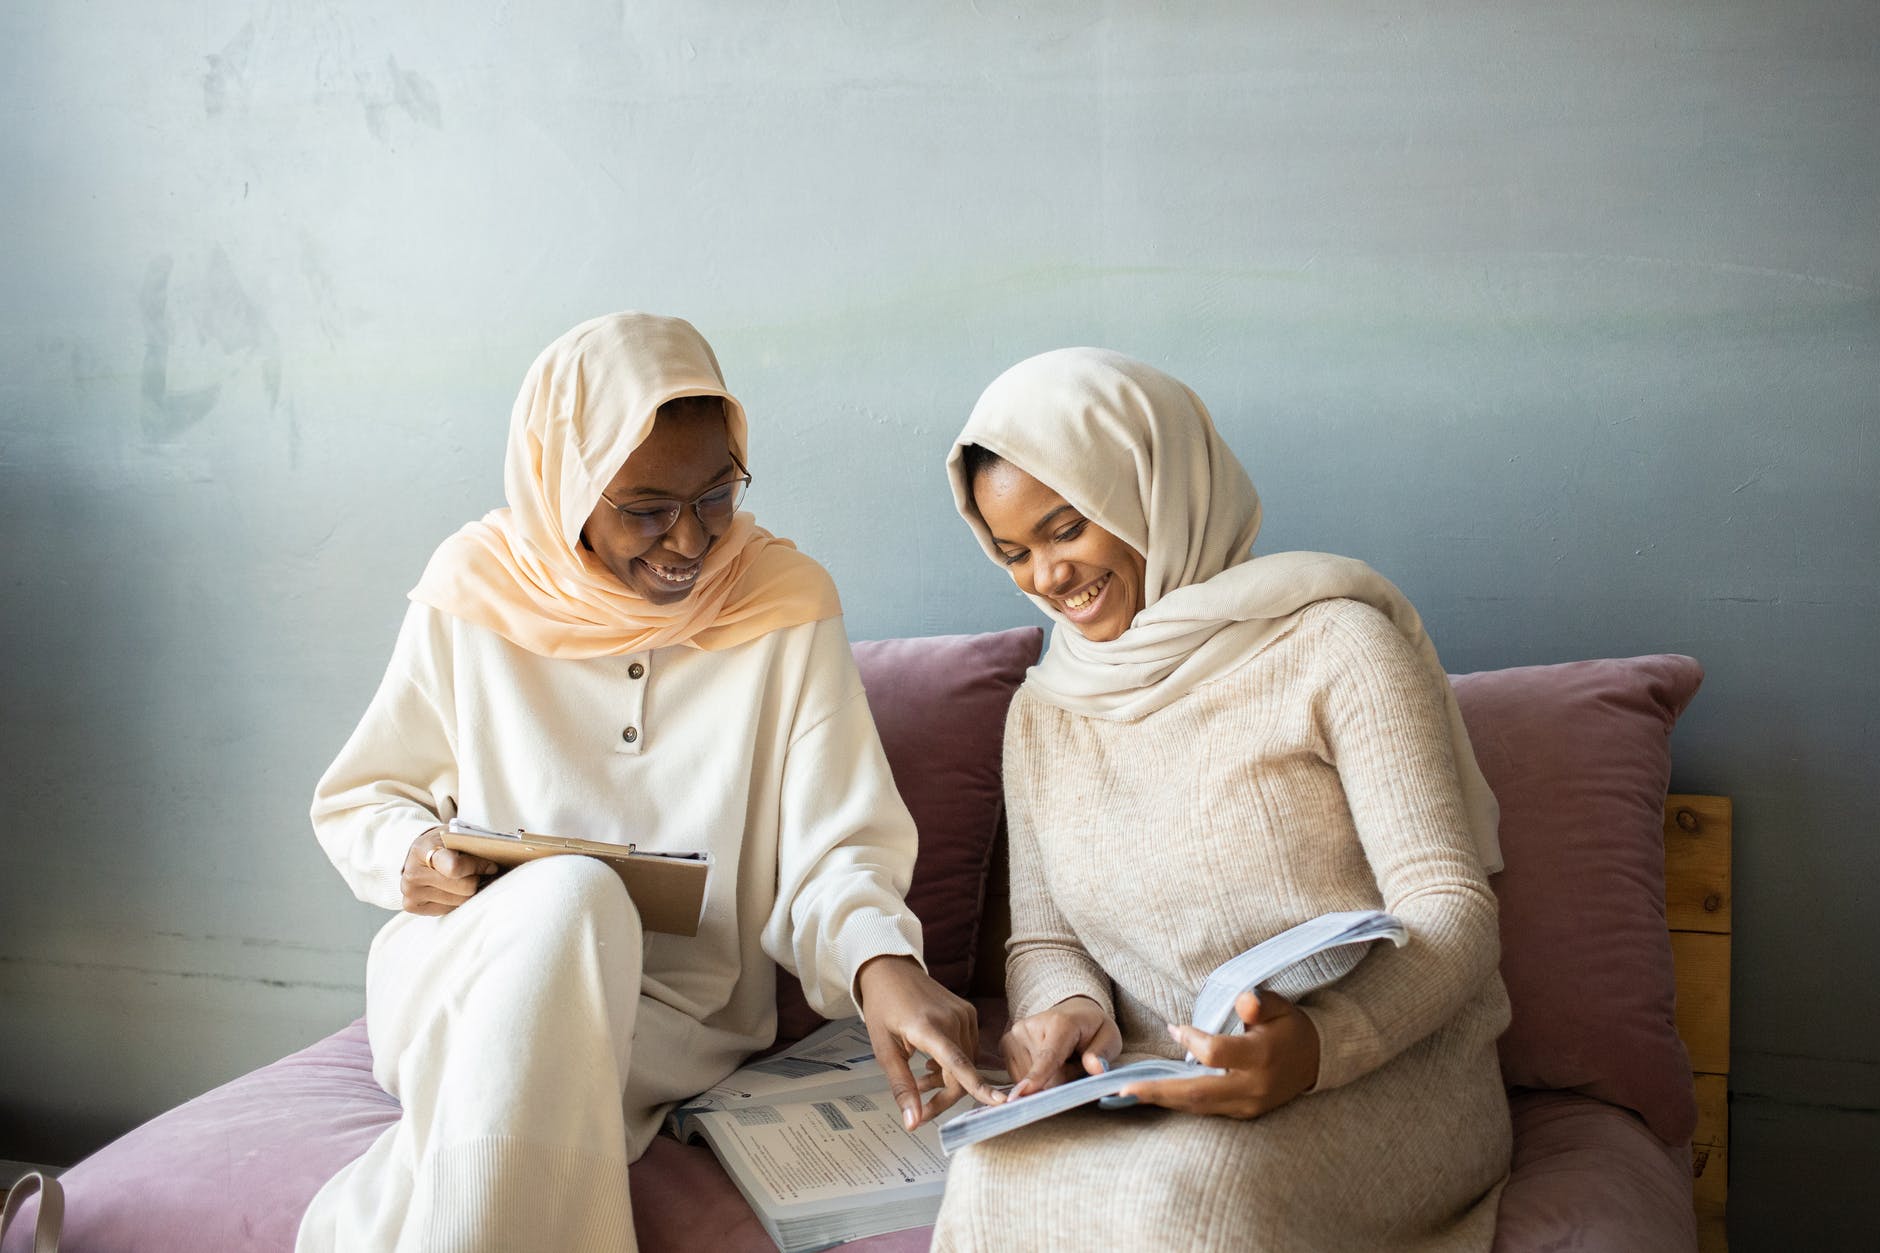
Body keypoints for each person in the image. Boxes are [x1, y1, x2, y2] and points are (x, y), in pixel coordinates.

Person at [298, 313, 995, 1253]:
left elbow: (838, 846)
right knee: (569, 898)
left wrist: (883, 963)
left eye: (716, 493)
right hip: (460, 982)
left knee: (573, 932)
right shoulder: (473, 590)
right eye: (644, 506)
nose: (692, 538)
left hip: (672, 1021)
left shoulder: (785, 604)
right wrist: (414, 853)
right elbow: (364, 799)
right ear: (565, 486)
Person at [930, 348, 1513, 1251]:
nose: (1046, 576)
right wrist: (1066, 1010)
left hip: (1387, 1073)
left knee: (1192, 1205)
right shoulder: (1043, 715)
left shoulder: (1338, 646)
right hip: (1160, 1081)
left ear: (1147, 490)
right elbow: (1046, 939)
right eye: (1015, 552)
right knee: (989, 1179)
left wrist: (1319, 1048)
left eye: (1067, 529)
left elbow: (1452, 908)